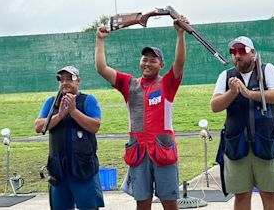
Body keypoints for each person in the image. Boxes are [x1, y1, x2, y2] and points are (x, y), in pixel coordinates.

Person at [94, 16, 189, 210]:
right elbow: (101, 68)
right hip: (138, 151)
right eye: (144, 59)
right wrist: (100, 40)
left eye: (153, 60)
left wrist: (180, 34)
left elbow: (179, 62)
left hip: (163, 150)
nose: (147, 63)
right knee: (142, 203)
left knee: (170, 203)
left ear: (161, 65)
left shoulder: (167, 84)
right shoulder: (129, 84)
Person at [210, 36, 274, 210]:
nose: (237, 55)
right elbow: (215, 106)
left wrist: (249, 93)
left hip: (265, 141)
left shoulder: (267, 70)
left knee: (269, 193)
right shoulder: (226, 75)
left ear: (253, 53)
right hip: (237, 144)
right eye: (233, 52)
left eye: (242, 51)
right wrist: (233, 92)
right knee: (241, 195)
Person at [34, 65, 104, 210]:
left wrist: (73, 111)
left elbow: (95, 126)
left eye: (69, 79)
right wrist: (59, 115)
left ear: (78, 81)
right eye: (61, 79)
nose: (65, 83)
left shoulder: (88, 100)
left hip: (82, 167)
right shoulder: (52, 102)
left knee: (89, 207)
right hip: (58, 168)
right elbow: (39, 126)